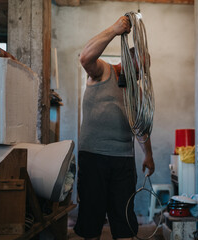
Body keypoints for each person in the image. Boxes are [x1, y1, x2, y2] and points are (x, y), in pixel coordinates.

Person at [74, 15, 155, 240]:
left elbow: (140, 126)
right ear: (128, 63)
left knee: (125, 220)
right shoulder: (102, 71)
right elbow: (85, 57)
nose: (141, 77)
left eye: (143, 73)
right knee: (91, 218)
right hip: (94, 157)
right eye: (139, 71)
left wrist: (148, 154)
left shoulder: (135, 91)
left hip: (123, 161)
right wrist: (114, 29)